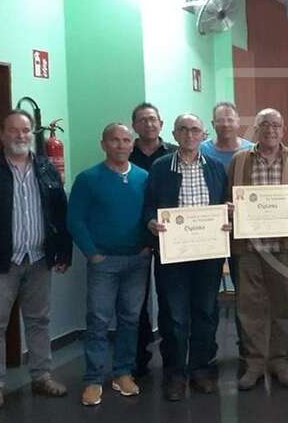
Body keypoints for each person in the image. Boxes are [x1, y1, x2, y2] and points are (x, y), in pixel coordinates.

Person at [0, 110, 72, 411]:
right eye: (13, 130)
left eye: (25, 130)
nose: (20, 135)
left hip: (39, 259)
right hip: (0, 263)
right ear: (2, 134)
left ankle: (41, 376)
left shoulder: (46, 167)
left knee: (39, 321)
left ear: (32, 133)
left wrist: (64, 251)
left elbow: (60, 212)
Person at [143, 113, 228, 402]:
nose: (189, 135)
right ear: (174, 134)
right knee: (174, 316)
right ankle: (175, 374)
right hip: (173, 255)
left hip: (208, 255)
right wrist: (151, 223)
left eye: (194, 129)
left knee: (206, 312)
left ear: (204, 134)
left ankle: (202, 369)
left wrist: (226, 220)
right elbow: (148, 207)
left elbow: (223, 205)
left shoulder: (215, 167)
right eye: (183, 129)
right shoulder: (160, 167)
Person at [68, 123, 151, 406]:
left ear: (132, 144)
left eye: (126, 140)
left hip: (138, 260)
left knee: (130, 319)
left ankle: (123, 372)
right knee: (98, 320)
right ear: (103, 144)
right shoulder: (88, 179)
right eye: (114, 140)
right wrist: (92, 254)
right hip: (103, 262)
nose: (121, 145)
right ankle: (93, 379)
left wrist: (147, 246)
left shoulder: (143, 177)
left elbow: (151, 214)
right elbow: (75, 220)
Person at [227, 109, 288, 390]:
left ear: (283, 129)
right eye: (265, 124)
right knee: (250, 307)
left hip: (283, 246)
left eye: (276, 125)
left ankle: (279, 360)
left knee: (283, 305)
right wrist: (231, 209)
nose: (271, 129)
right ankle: (254, 362)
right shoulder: (239, 160)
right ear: (256, 128)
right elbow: (229, 197)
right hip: (249, 247)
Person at [200, 101, 254, 365]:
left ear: (238, 122)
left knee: (246, 294)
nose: (225, 124)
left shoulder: (251, 150)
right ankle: (206, 354)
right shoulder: (201, 150)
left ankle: (248, 350)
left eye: (230, 119)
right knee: (207, 296)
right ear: (213, 124)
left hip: (242, 234)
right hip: (206, 234)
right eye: (220, 120)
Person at [129, 102, 178, 378]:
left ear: (161, 124)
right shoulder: (125, 153)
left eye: (153, 119)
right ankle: (138, 359)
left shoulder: (174, 154)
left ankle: (171, 360)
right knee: (135, 303)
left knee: (168, 300)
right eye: (142, 120)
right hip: (134, 238)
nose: (148, 124)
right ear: (134, 125)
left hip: (170, 239)